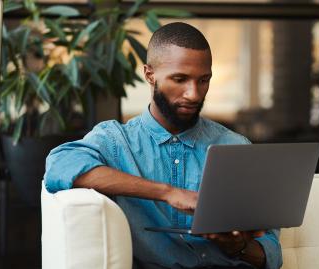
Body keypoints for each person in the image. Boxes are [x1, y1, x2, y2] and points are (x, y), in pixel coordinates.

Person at [44, 22, 282, 269]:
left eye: (204, 80)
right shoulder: (116, 141)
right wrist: (168, 193)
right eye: (180, 79)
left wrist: (237, 247)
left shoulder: (235, 146)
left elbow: (271, 255)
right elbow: (60, 165)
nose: (194, 94)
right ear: (149, 75)